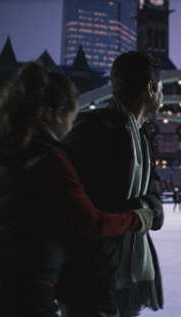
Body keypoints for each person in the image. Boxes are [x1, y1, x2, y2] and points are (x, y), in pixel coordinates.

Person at [0, 62, 156, 316]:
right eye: (71, 120)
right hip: (30, 299)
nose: (68, 130)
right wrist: (138, 218)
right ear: (58, 113)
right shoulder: (48, 159)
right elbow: (93, 223)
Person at [58, 51, 164, 317]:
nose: (163, 99)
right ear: (149, 89)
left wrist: (142, 208)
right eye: (161, 90)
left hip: (128, 278)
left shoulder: (146, 139)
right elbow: (70, 206)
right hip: (89, 280)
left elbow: (156, 208)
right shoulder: (94, 131)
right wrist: (137, 211)